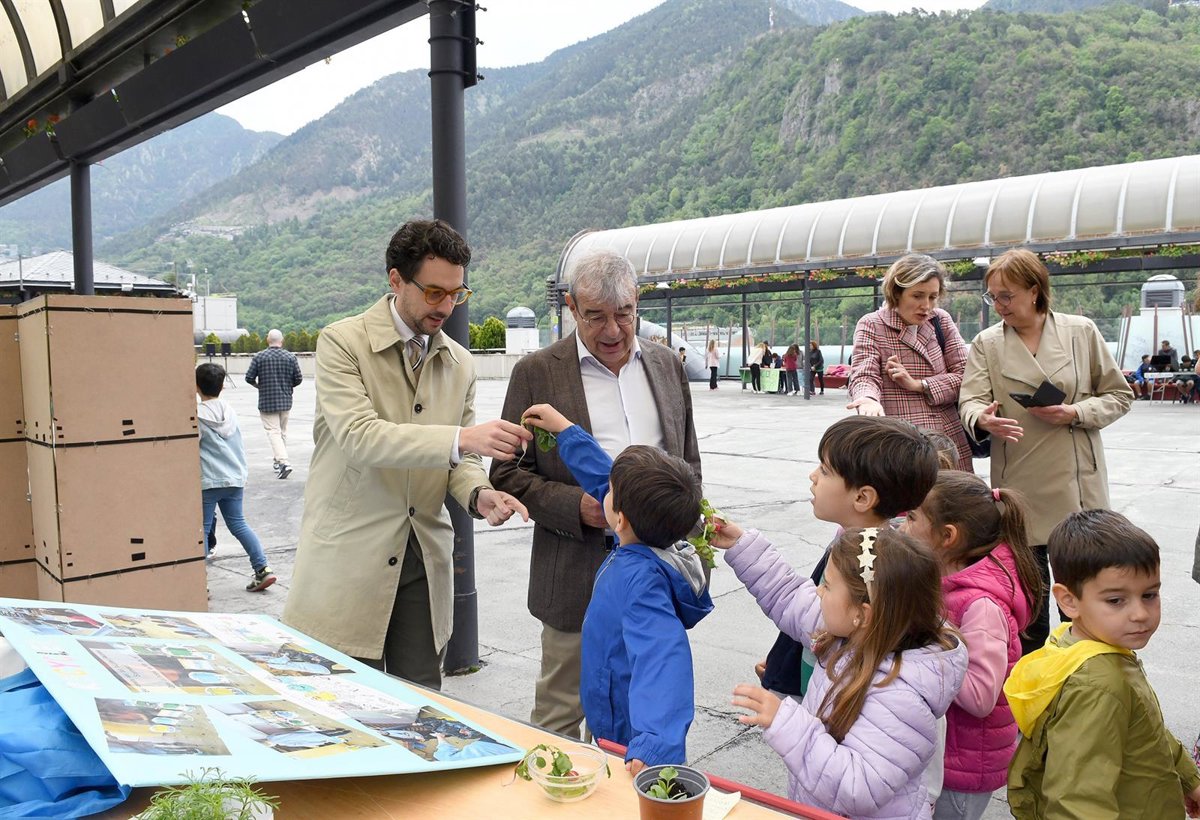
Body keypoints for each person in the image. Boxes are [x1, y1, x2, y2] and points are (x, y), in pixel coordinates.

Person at [281, 219, 531, 690]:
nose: (447, 306)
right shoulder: (342, 342)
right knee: (342, 704)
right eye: (434, 292)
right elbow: (360, 436)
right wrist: (462, 438)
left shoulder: (460, 363)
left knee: (419, 706)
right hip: (351, 555)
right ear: (396, 279)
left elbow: (461, 461)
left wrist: (480, 495)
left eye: (457, 294)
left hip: (422, 558)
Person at [489, 250, 700, 737]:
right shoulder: (537, 373)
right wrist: (579, 508)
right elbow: (507, 473)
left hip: (656, 578)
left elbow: (688, 464)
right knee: (559, 721)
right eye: (595, 316)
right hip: (573, 577)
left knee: (641, 718)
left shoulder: (667, 365)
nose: (612, 330)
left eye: (624, 314)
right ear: (570, 307)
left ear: (637, 302)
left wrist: (688, 549)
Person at [715, 522, 967, 818]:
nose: (818, 591)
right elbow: (791, 596)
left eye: (828, 585)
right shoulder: (854, 632)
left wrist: (786, 722)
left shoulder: (900, 695)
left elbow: (859, 788)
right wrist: (742, 545)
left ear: (863, 613)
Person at [959, 248, 1132, 655]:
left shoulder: (1080, 332)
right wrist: (982, 419)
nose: (999, 305)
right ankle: (1033, 682)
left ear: (1035, 291)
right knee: (1029, 607)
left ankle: (1084, 671)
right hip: (1019, 481)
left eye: (1007, 296)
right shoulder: (987, 343)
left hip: (1077, 484)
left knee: (1081, 597)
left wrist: (1074, 412)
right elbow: (970, 399)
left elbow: (1119, 395)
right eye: (992, 297)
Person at [521, 403, 711, 771]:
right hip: (614, 718)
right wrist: (567, 432)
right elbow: (604, 478)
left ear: (619, 519)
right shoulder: (644, 537)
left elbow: (663, 661)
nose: (602, 491)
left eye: (609, 492)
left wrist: (654, 745)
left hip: (630, 740)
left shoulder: (641, 584)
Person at [1005, 510, 1200, 818]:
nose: (1140, 614)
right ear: (1068, 601)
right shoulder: (1099, 685)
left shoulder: (1083, 644)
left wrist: (1189, 780)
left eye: (1149, 594)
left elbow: (1145, 726)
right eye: (1116, 600)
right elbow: (1077, 802)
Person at [758, 416, 940, 699]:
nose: (813, 476)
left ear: (862, 498)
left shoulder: (868, 564)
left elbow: (813, 615)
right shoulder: (858, 543)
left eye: (825, 469)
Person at [902, 471, 1042, 820]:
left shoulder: (981, 606)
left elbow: (981, 696)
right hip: (945, 756)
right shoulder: (945, 582)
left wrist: (926, 643)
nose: (902, 527)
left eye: (912, 518)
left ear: (947, 536)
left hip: (962, 770)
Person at [846, 254, 973, 470]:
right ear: (896, 293)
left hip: (947, 439)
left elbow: (966, 375)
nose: (926, 306)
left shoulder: (940, 320)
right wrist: (867, 399)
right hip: (900, 439)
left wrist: (919, 385)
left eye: (933, 297)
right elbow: (864, 373)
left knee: (952, 490)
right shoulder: (872, 324)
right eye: (917, 296)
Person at [195, 363, 275, 592]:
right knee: (238, 524)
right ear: (222, 386)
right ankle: (263, 569)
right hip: (235, 477)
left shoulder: (197, 416)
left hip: (209, 480)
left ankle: (198, 583)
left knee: (202, 530)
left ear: (196, 386)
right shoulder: (229, 410)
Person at [245, 329, 304, 478]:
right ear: (281, 341)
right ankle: (278, 461)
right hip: (285, 400)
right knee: (282, 432)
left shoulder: (259, 357)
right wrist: (287, 386)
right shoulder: (290, 357)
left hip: (267, 401)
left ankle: (283, 462)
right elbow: (298, 378)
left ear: (267, 340)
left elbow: (249, 377)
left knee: (273, 432)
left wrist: (259, 386)